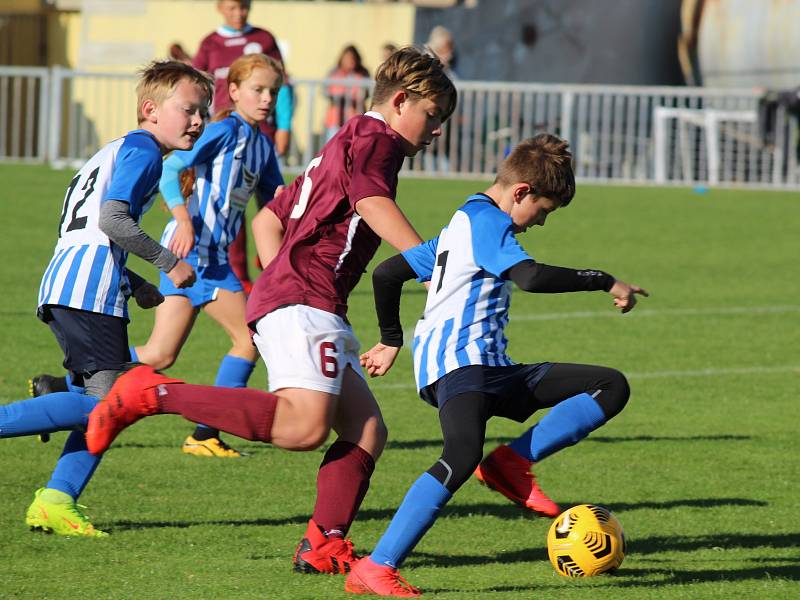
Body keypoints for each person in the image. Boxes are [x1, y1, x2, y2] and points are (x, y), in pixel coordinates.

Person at [85, 46, 457, 574]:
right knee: (304, 430)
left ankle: (323, 543)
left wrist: (279, 283)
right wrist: (428, 265)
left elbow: (267, 223)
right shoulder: (379, 141)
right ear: (401, 101)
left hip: (301, 294)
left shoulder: (347, 137)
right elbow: (373, 205)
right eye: (433, 115)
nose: (436, 128)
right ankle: (154, 392)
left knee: (367, 429)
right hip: (306, 297)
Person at [344, 134, 648, 596]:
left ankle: (511, 463)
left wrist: (391, 341)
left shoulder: (461, 223)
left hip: (488, 367)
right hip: (461, 364)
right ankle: (377, 566)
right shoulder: (487, 222)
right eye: (542, 211)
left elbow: (389, 274)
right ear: (521, 191)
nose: (539, 223)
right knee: (461, 454)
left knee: (610, 386)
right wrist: (603, 280)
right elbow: (530, 277)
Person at [0, 61, 212, 537]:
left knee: (97, 403)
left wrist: (134, 283)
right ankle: (53, 471)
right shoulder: (146, 152)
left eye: (204, 112)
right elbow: (114, 221)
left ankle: (56, 500)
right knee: (107, 406)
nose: (198, 120)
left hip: (70, 283)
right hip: (88, 292)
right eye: (189, 109)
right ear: (150, 109)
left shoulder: (114, 150)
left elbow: (91, 230)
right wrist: (168, 262)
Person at [131, 53, 284, 458]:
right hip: (194, 253)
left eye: (273, 91)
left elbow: (277, 205)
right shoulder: (224, 130)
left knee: (159, 354)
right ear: (233, 92)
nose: (266, 98)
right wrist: (182, 219)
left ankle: (65, 383)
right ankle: (204, 434)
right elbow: (169, 170)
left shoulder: (263, 147)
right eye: (258, 89)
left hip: (207, 255)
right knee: (249, 339)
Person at [193, 0, 284, 292]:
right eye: (232, 7)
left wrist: (284, 125)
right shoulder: (210, 43)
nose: (238, 13)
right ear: (220, 8)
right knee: (231, 199)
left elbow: (286, 85)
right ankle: (240, 273)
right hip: (228, 133)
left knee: (266, 200)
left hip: (259, 133)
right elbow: (196, 86)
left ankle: (268, 258)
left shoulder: (264, 39)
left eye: (243, 7)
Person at [325, 45, 371, 142]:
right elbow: (327, 92)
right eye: (347, 58)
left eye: (352, 58)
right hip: (335, 120)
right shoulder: (334, 73)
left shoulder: (363, 74)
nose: (350, 61)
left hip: (355, 120)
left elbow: (366, 94)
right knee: (334, 148)